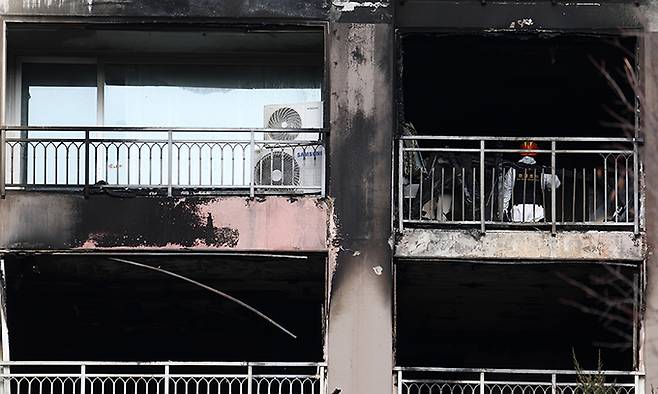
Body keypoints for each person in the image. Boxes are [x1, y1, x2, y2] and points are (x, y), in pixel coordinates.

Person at [502, 141, 561, 222]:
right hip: (536, 210)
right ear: (536, 153)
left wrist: (504, 210)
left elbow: (506, 191)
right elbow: (556, 184)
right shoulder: (542, 170)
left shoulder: (513, 169)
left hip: (517, 211)